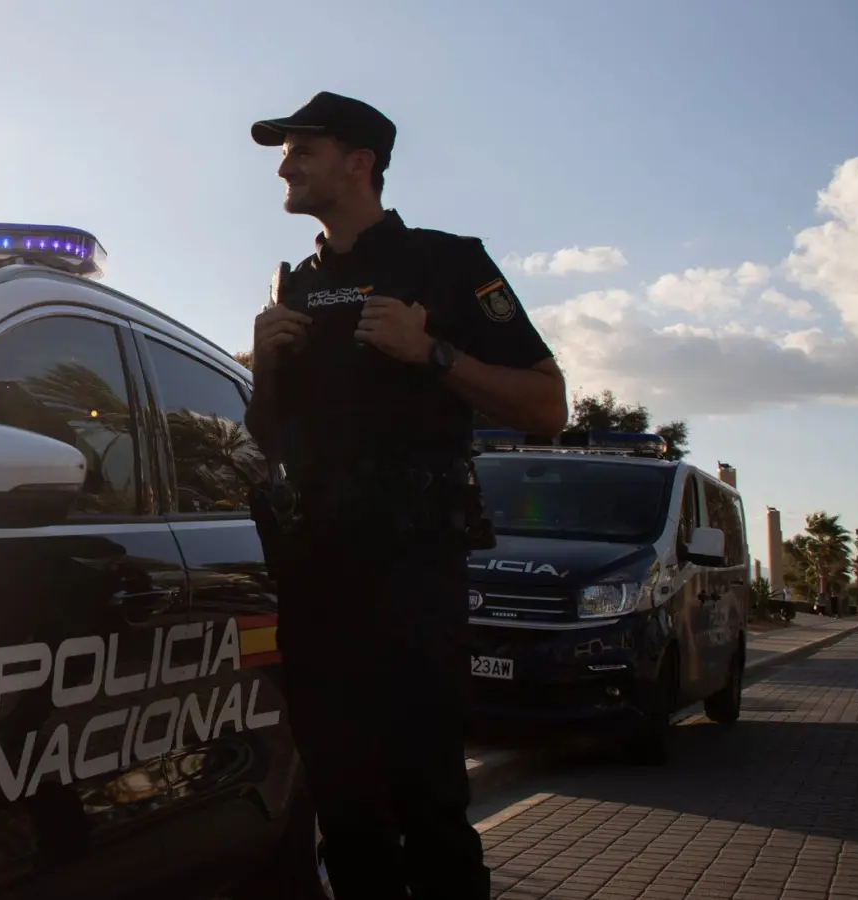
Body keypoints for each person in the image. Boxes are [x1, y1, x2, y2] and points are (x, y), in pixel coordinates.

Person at [243, 91, 569, 900]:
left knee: (427, 797)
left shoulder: (449, 263)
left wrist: (431, 353)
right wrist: (263, 365)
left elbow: (547, 407)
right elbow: (266, 439)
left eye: (303, 148)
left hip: (413, 567)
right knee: (343, 807)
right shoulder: (293, 282)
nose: (285, 162)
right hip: (315, 569)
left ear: (361, 163)